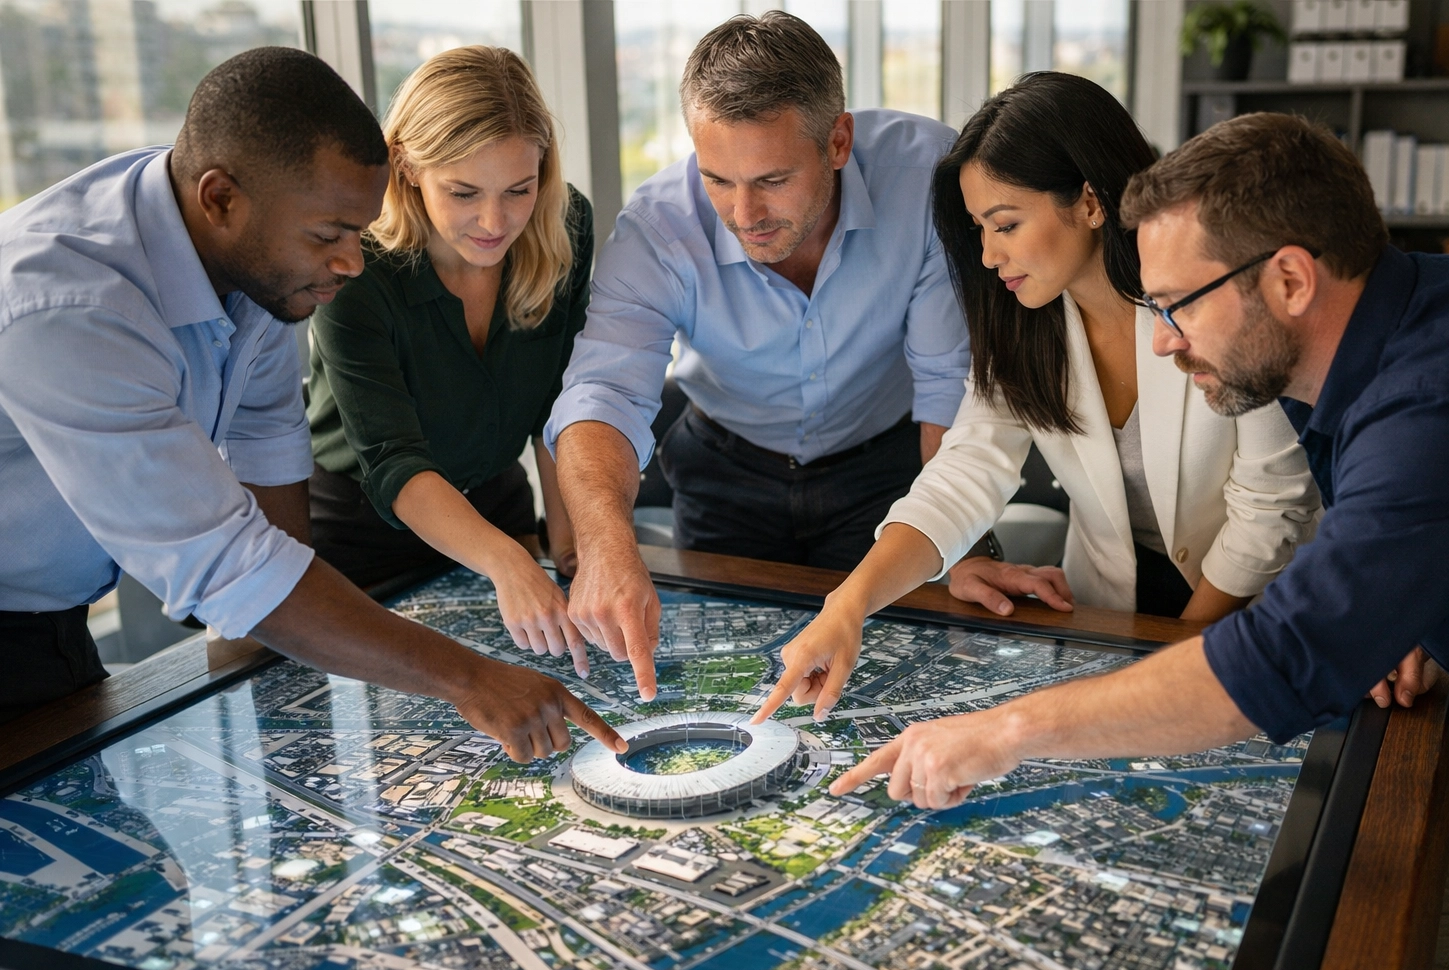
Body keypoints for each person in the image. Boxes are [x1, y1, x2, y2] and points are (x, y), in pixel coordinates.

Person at [806, 113, 1449, 970]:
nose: (1162, 340)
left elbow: (1284, 656)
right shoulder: (1415, 324)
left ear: (1290, 279)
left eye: (1180, 304)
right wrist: (1401, 601)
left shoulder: (1445, 394)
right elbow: (1411, 526)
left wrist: (1003, 732)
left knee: (1380, 951)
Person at [0, 47, 621, 763]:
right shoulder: (72, 308)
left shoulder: (247, 247)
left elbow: (267, 441)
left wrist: (269, 654)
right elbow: (225, 567)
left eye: (356, 231)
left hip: (53, 622)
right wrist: (471, 679)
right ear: (219, 200)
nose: (353, 262)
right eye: (329, 236)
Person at [752, 73, 1320, 722]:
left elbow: (1272, 505)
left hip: (1259, 609)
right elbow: (964, 471)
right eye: (979, 230)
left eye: (1006, 224)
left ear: (1089, 201)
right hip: (1112, 612)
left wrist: (1173, 660)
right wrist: (849, 606)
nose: (988, 256)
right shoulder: (1024, 324)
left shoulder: (1213, 292)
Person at [545, 11, 971, 700]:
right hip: (725, 474)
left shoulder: (927, 177)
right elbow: (603, 394)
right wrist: (604, 543)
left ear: (838, 141)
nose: (744, 214)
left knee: (883, 685)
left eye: (773, 179)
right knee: (726, 686)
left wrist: (963, 543)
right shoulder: (657, 227)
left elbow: (947, 382)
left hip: (888, 473)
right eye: (717, 178)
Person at [306, 46, 592, 675]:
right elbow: (392, 460)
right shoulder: (353, 265)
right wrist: (508, 562)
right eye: (463, 192)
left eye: (519, 189)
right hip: (359, 539)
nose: (495, 221)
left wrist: (574, 545)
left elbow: (562, 405)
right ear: (406, 166)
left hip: (497, 508)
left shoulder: (565, 225)